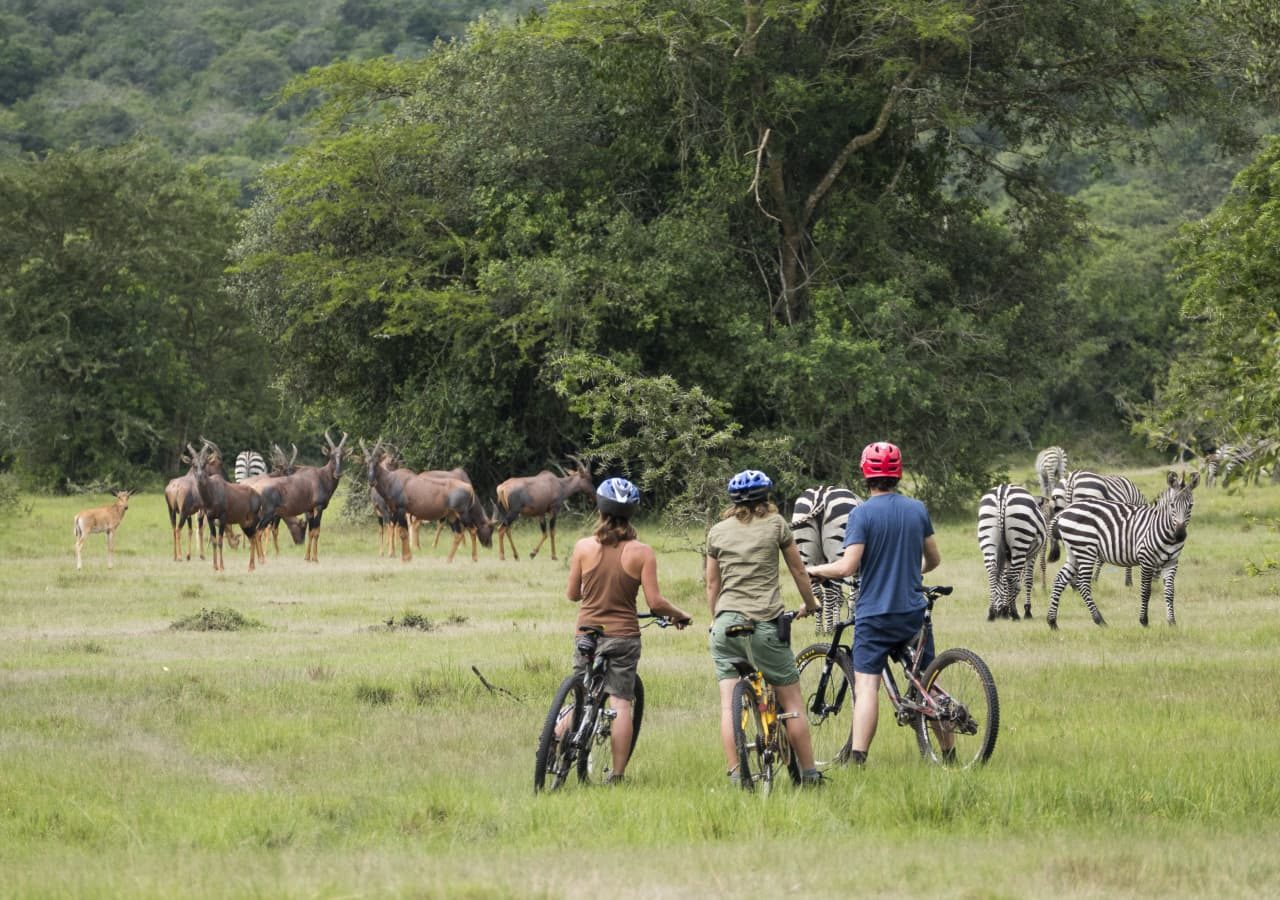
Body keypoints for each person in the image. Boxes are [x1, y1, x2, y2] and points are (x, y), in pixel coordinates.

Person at [807, 441, 943, 766]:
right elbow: (934, 560)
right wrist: (910, 571)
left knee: (867, 685)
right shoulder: (917, 509)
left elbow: (847, 567)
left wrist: (813, 569)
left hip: (875, 616)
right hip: (912, 613)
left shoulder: (861, 514)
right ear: (898, 473)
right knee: (929, 680)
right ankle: (948, 755)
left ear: (865, 473)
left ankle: (858, 758)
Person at [564, 476, 693, 785]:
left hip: (587, 632)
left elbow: (572, 595)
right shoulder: (642, 552)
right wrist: (679, 614)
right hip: (623, 637)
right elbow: (655, 602)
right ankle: (617, 776)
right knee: (620, 702)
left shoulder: (583, 546)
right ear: (633, 511)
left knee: (580, 693)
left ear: (600, 508)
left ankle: (552, 748)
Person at [705, 469, 825, 787]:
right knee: (793, 703)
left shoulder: (717, 531)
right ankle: (810, 775)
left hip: (726, 626)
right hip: (764, 625)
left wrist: (714, 619)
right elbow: (799, 571)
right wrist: (811, 604)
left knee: (728, 704)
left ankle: (735, 775)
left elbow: (712, 584)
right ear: (767, 498)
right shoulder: (776, 525)